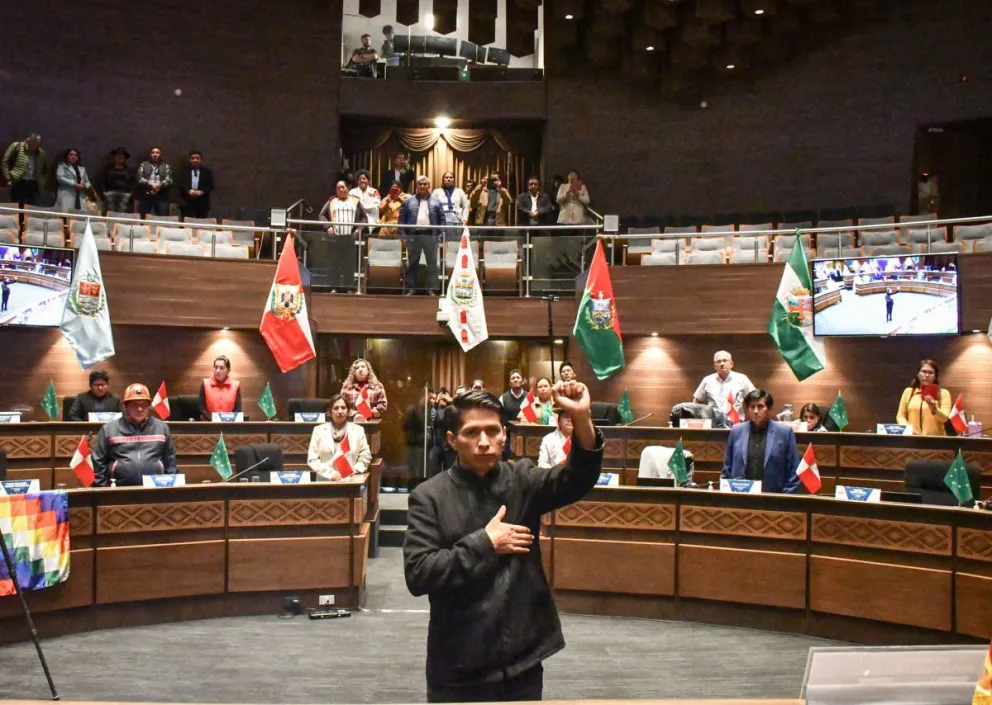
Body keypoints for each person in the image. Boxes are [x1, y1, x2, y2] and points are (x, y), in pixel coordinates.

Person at [404, 383, 601, 702]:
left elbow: (577, 478)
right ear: (452, 440)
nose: (483, 442)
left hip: (521, 663)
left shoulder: (523, 480)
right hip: (458, 665)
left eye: (492, 431)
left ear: (504, 435)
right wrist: (485, 542)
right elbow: (419, 573)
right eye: (471, 433)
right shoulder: (429, 497)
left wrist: (580, 418)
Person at [91, 383, 177, 486]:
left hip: (155, 489)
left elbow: (170, 461)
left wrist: (170, 488)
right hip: (119, 490)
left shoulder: (162, 428)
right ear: (125, 406)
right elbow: (98, 463)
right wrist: (102, 489)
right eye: (135, 405)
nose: (140, 409)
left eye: (144, 405)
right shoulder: (109, 429)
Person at [721, 390, 800, 493]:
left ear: (770, 409)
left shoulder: (784, 433)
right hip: (740, 498)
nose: (756, 411)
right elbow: (727, 468)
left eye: (760, 406)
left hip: (773, 500)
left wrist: (783, 499)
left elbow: (794, 471)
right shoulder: (736, 431)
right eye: (752, 407)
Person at [307, 394, 372, 481]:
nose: (340, 411)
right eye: (336, 408)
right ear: (330, 412)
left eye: (343, 408)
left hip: (351, 480)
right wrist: (331, 474)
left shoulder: (358, 430)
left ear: (348, 411)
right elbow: (312, 460)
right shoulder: (319, 430)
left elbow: (366, 456)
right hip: (325, 481)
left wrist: (355, 469)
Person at [398, 175, 443, 295]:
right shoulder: (408, 202)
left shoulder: (436, 202)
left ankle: (431, 289)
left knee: (432, 263)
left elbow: (442, 221)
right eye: (419, 184)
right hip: (414, 236)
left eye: (425, 184)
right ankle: (411, 288)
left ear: (429, 186)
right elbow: (401, 221)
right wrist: (404, 237)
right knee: (413, 263)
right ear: (416, 186)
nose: (422, 186)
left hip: (431, 235)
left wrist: (439, 236)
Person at [693, 350, 756, 419]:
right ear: (715, 366)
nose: (722, 364)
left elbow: (754, 398)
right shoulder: (707, 380)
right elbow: (697, 401)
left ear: (731, 364)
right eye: (718, 361)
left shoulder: (742, 379)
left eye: (725, 360)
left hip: (737, 422)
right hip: (714, 423)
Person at [896, 358, 952, 436]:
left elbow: (945, 419)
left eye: (931, 372)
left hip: (937, 440)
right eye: (924, 371)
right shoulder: (908, 392)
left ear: (935, 376)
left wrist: (934, 409)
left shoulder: (944, 393)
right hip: (912, 439)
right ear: (918, 374)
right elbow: (900, 416)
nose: (927, 375)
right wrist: (908, 429)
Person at [2, 133, 47, 206]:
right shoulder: (17, 146)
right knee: (18, 206)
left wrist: (42, 182)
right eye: (32, 144)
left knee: (34, 207)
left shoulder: (41, 153)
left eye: (36, 144)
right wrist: (8, 178)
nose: (33, 147)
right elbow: (5, 162)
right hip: (19, 181)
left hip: (33, 183)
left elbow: (44, 169)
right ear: (27, 141)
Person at [198, 355, 242, 420]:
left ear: (228, 371)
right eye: (215, 367)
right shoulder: (205, 384)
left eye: (221, 368)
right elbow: (202, 408)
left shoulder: (236, 385)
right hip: (208, 424)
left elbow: (237, 409)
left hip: (228, 425)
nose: (218, 371)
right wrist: (215, 421)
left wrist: (226, 421)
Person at [135, 147, 173, 216]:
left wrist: (159, 186)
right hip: (146, 194)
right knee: (143, 217)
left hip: (161, 195)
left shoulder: (166, 166)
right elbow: (139, 178)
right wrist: (151, 184)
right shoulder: (144, 164)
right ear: (150, 154)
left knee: (161, 218)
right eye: (153, 152)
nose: (155, 154)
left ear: (160, 154)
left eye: (157, 152)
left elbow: (169, 180)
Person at [177, 150, 214, 218]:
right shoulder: (184, 171)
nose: (195, 160)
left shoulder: (207, 172)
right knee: (186, 223)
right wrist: (188, 191)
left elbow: (210, 186)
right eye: (193, 158)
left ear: (201, 160)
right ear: (189, 160)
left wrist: (201, 192)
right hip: (187, 202)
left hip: (202, 202)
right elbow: (181, 184)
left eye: (197, 158)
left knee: (200, 224)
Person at [102, 147, 134, 213]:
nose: (119, 158)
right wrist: (105, 192)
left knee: (122, 214)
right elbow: (102, 180)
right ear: (114, 157)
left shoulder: (128, 170)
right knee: (110, 213)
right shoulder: (108, 169)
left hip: (124, 195)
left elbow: (132, 182)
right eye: (117, 156)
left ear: (124, 158)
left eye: (121, 156)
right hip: (110, 194)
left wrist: (129, 193)